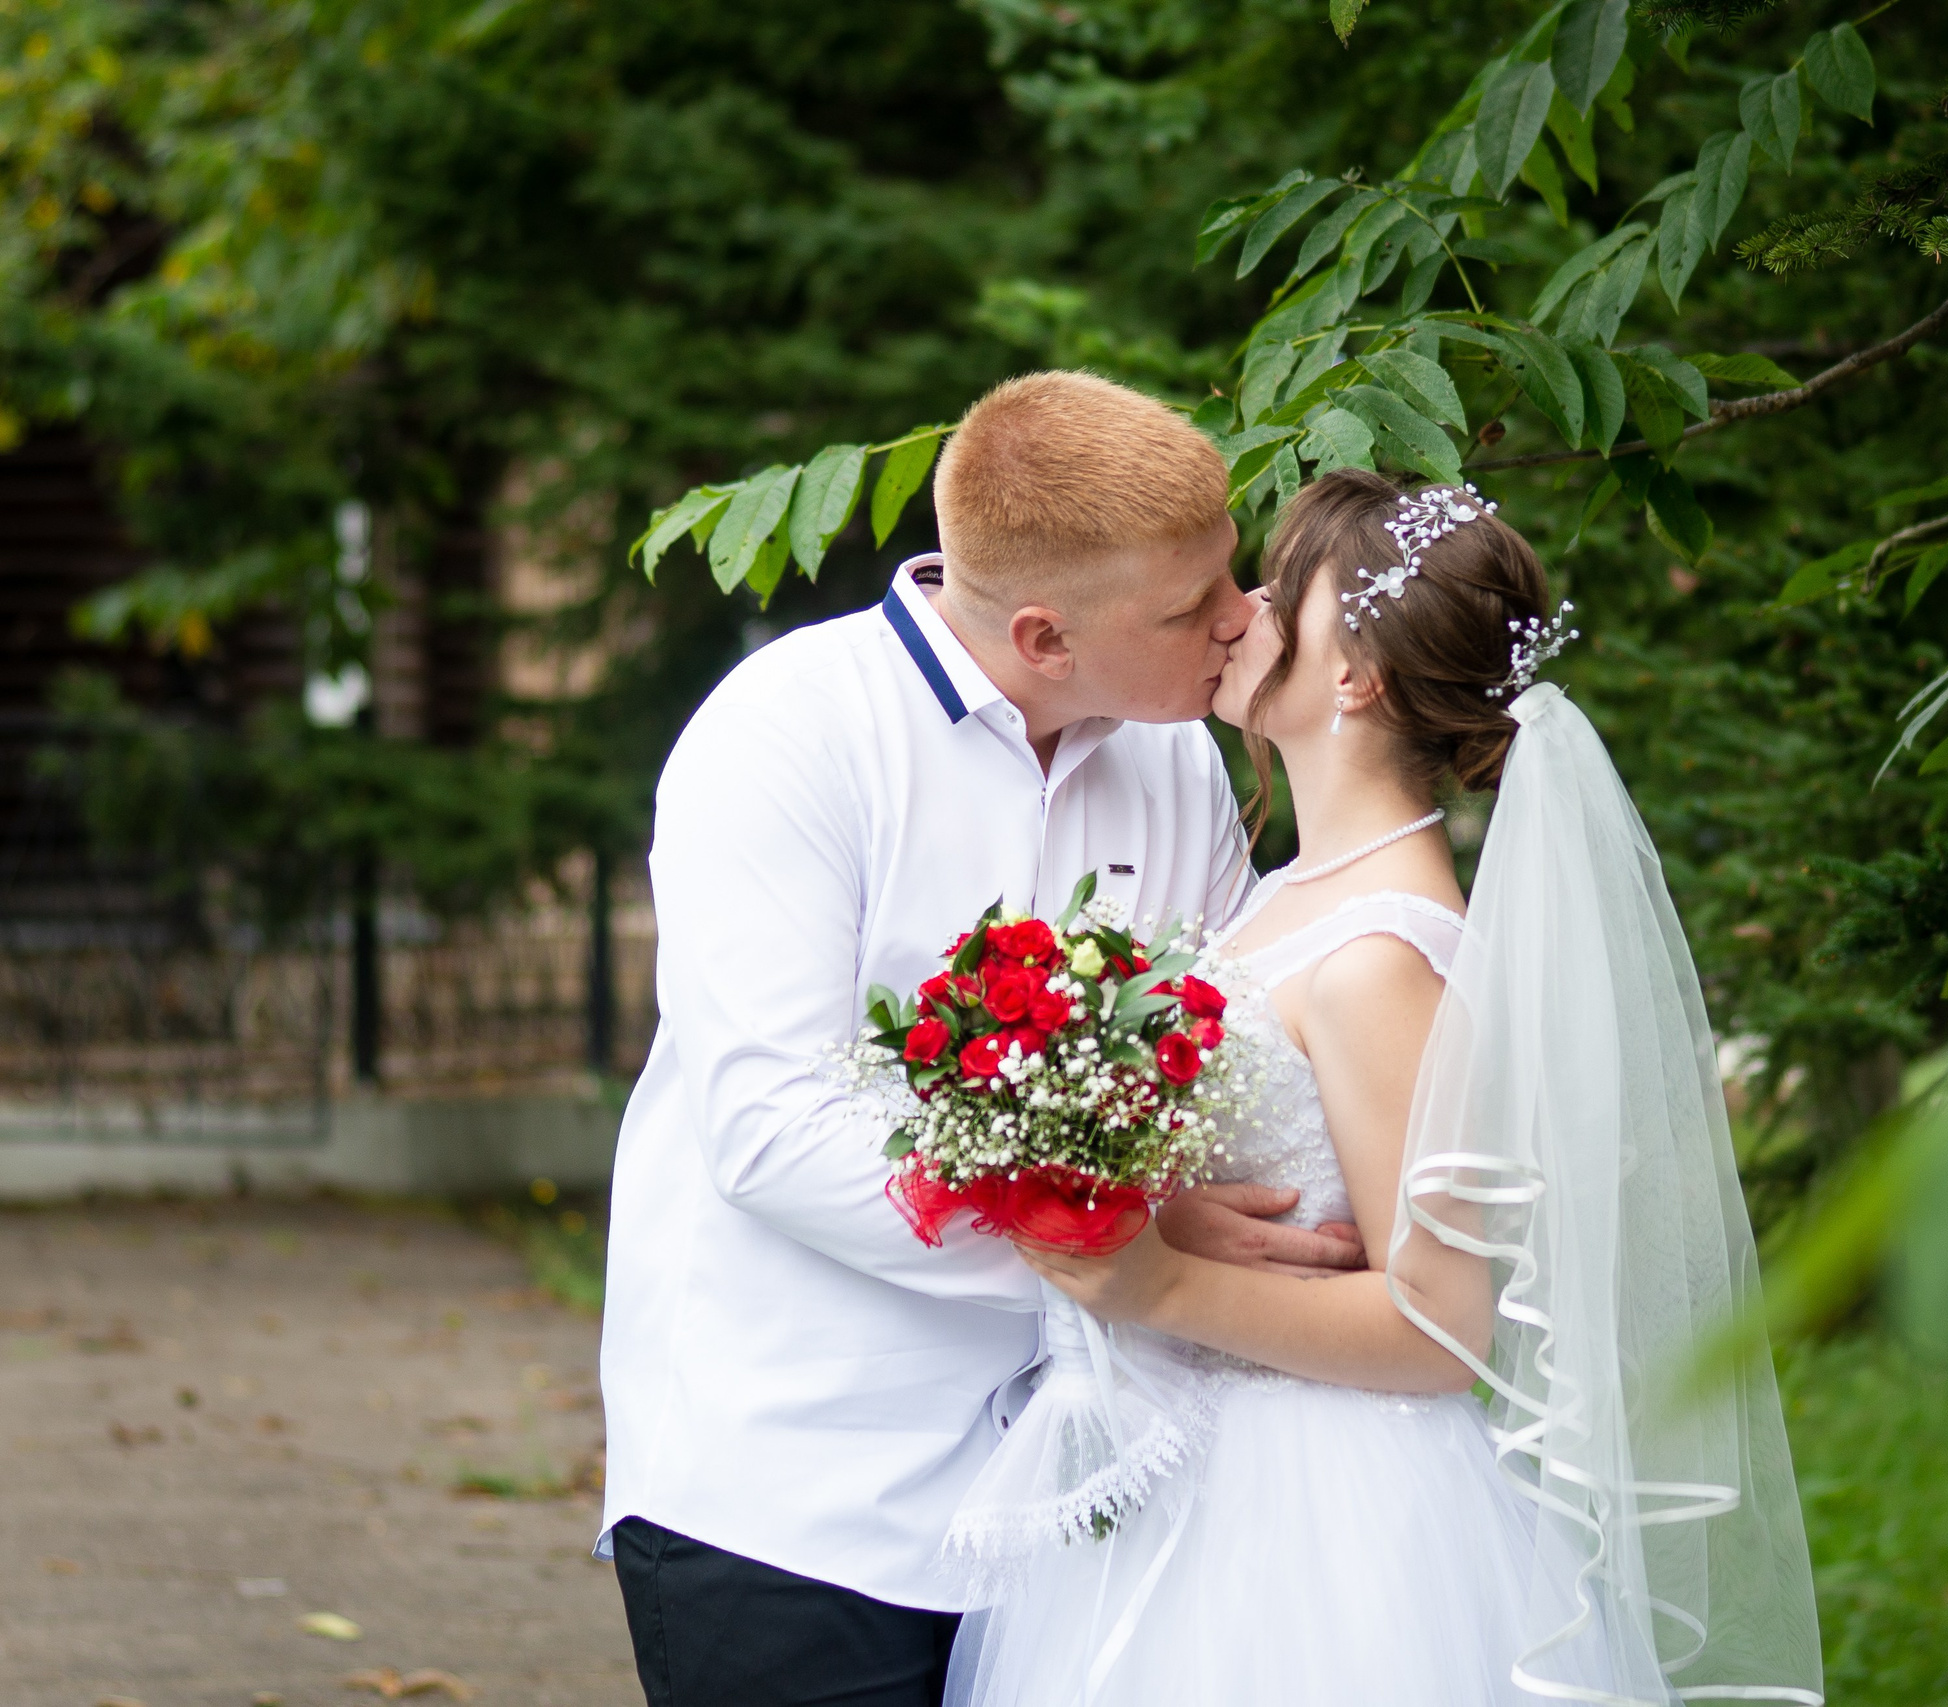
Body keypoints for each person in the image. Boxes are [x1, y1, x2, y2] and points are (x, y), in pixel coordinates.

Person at [941, 469, 1825, 1706]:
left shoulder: (1378, 956)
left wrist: (1162, 1285)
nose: (1240, 612)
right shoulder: (1286, 896)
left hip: (1325, 1518)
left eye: (1276, 592)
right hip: (1205, 1462)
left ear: (1354, 676)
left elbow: (1442, 1328)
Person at [595, 371, 1370, 1707]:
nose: (1245, 617)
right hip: (796, 1491)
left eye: (1230, 572)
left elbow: (1226, 1067)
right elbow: (774, 1133)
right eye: (1191, 604)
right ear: (1043, 635)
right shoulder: (787, 736)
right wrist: (1120, 1241)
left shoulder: (1174, 759)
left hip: (1091, 1492)